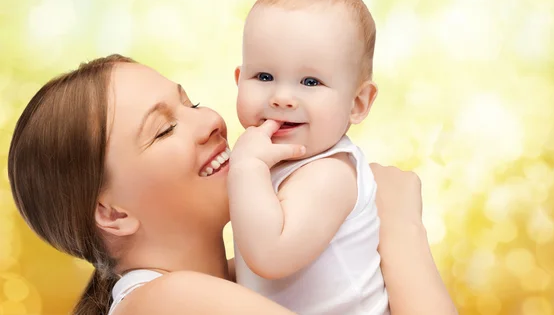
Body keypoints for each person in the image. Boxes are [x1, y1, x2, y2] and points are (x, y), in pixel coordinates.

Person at [8, 54, 457, 315]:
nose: (210, 121)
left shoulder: (249, 279)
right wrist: (399, 228)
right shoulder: (167, 302)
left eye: (192, 103)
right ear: (113, 214)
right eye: (163, 130)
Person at [229, 0, 387, 313]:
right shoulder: (270, 160)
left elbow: (270, 256)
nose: (283, 97)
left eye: (310, 81)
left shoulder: (330, 174)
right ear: (239, 80)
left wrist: (247, 168)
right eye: (265, 77)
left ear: (357, 103)